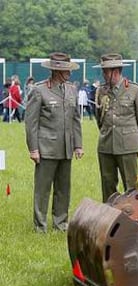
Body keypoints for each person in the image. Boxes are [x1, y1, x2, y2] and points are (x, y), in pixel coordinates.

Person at [25, 52, 83, 233]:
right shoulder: (39, 90)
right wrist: (33, 149)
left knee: (63, 189)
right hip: (46, 148)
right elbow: (31, 122)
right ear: (56, 71)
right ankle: (40, 226)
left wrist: (78, 145)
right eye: (66, 70)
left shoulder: (72, 89)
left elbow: (75, 119)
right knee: (43, 190)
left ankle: (61, 224)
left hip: (66, 148)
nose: (69, 73)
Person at [93, 53, 138, 202]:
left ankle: (132, 216)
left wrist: (133, 140)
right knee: (107, 184)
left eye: (106, 71)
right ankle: (109, 216)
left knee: (130, 186)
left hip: (127, 146)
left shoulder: (135, 90)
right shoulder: (101, 91)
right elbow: (100, 118)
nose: (103, 74)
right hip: (106, 145)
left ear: (116, 71)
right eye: (103, 71)